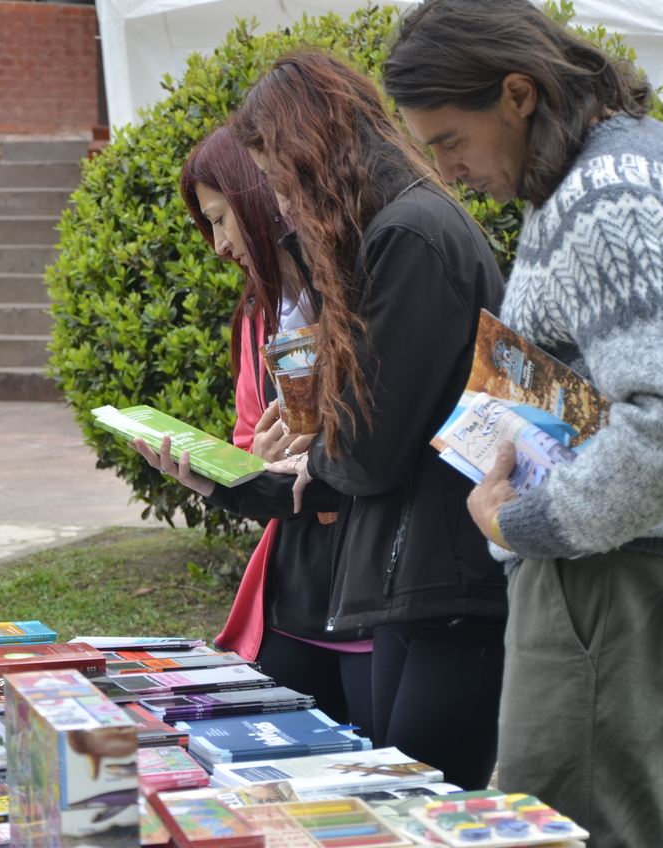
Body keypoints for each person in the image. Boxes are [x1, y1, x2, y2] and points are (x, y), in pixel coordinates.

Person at [382, 1, 663, 845]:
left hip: (608, 597)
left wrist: (529, 522)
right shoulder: (640, 159)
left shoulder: (604, 197)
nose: (447, 170)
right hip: (649, 587)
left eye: (450, 140)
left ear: (517, 94)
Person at [140, 52, 508, 790]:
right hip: (413, 577)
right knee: (392, 798)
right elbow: (363, 441)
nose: (278, 206)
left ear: (310, 151)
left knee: (417, 806)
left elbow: (368, 448)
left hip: (446, 579)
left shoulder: (409, 235)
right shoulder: (389, 233)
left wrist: (314, 453)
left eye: (276, 182)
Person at [174, 128, 375, 736]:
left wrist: (325, 451)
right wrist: (255, 460)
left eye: (220, 220)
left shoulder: (358, 289)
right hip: (294, 589)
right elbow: (246, 440)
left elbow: (391, 431)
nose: (218, 246)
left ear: (261, 197)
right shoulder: (258, 316)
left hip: (372, 583)